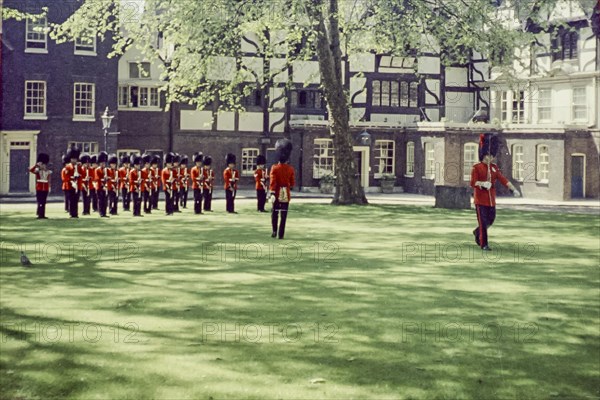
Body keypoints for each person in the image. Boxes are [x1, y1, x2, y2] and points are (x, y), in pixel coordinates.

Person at [470, 133, 521, 251]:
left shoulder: (494, 168)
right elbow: (473, 183)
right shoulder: (476, 167)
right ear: (483, 155)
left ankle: (477, 232)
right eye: (488, 155)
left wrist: (513, 189)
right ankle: (484, 244)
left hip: (491, 201)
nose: (490, 158)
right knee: (483, 223)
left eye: (492, 156)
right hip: (480, 200)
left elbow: (503, 179)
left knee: (490, 220)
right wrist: (482, 184)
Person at [269, 139, 295, 239]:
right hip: (285, 192)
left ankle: (274, 231)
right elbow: (292, 182)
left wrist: (272, 192)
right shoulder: (290, 169)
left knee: (274, 212)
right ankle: (281, 234)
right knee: (284, 215)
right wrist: (290, 186)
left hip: (276, 192)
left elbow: (273, 181)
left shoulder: (274, 168)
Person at [29, 153, 52, 219]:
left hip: (45, 188)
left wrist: (49, 187)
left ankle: (42, 214)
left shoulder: (48, 171)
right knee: (40, 202)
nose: (43, 166)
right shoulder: (38, 171)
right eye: (42, 165)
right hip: (39, 188)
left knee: (44, 202)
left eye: (44, 165)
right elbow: (31, 170)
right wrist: (36, 165)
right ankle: (40, 214)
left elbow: (49, 180)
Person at [65, 146, 82, 218]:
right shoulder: (68, 166)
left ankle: (76, 213)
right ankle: (72, 213)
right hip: (70, 185)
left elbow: (82, 174)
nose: (74, 160)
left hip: (77, 185)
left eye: (75, 159)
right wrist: (72, 180)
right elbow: (66, 176)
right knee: (71, 200)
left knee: (76, 200)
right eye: (73, 159)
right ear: (70, 159)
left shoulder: (78, 166)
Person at [95, 151, 110, 218]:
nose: (103, 164)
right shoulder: (97, 170)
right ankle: (101, 212)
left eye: (104, 163)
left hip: (106, 187)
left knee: (105, 201)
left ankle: (104, 212)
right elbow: (97, 179)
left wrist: (107, 178)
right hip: (100, 187)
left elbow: (110, 177)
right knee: (100, 200)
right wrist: (103, 181)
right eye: (102, 163)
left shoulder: (107, 170)